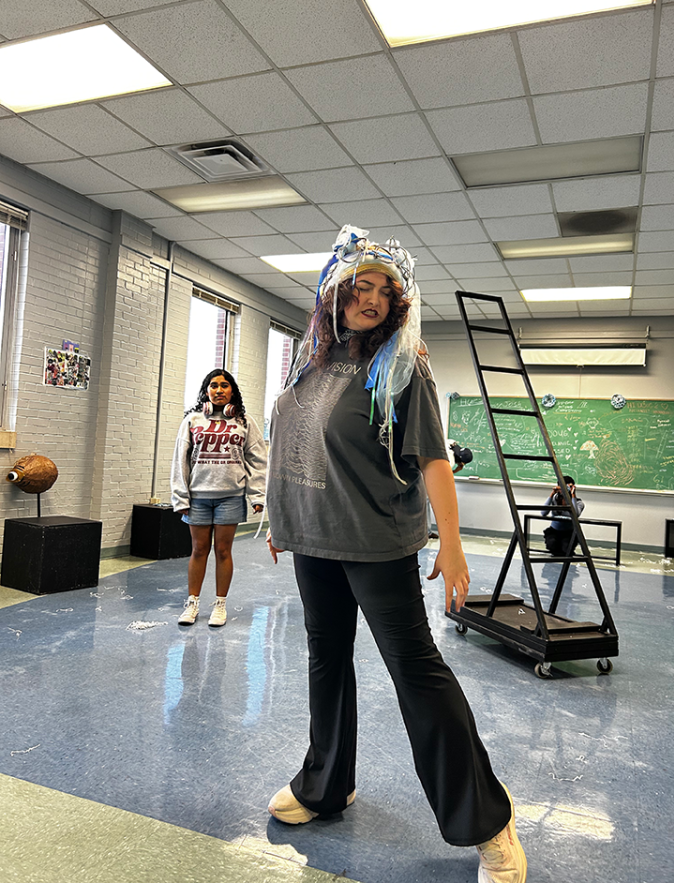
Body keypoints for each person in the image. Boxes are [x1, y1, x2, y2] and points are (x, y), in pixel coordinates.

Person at [264, 226, 527, 882]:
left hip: (375, 542)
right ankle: (325, 784)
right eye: (361, 285)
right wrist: (280, 515)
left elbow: (432, 458)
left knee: (416, 673)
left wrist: (454, 542)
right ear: (334, 293)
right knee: (326, 660)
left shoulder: (405, 367)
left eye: (385, 290)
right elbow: (293, 445)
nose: (372, 297)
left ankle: (488, 823)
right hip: (312, 539)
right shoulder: (311, 362)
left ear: (398, 305)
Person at [171, 369, 267, 627]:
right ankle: (192, 604)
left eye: (225, 385)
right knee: (198, 550)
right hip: (198, 498)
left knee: (223, 550)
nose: (219, 390)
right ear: (206, 391)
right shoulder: (192, 421)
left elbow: (258, 460)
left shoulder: (245, 422)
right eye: (213, 385)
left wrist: (258, 494)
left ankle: (220, 605)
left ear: (232, 391)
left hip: (230, 497)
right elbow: (180, 461)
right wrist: (181, 498)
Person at [541, 475, 585, 557]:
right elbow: (543, 512)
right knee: (552, 546)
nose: (563, 489)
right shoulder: (555, 499)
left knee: (566, 550)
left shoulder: (578, 502)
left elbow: (575, 514)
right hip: (554, 531)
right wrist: (552, 494)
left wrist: (573, 495)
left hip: (569, 532)